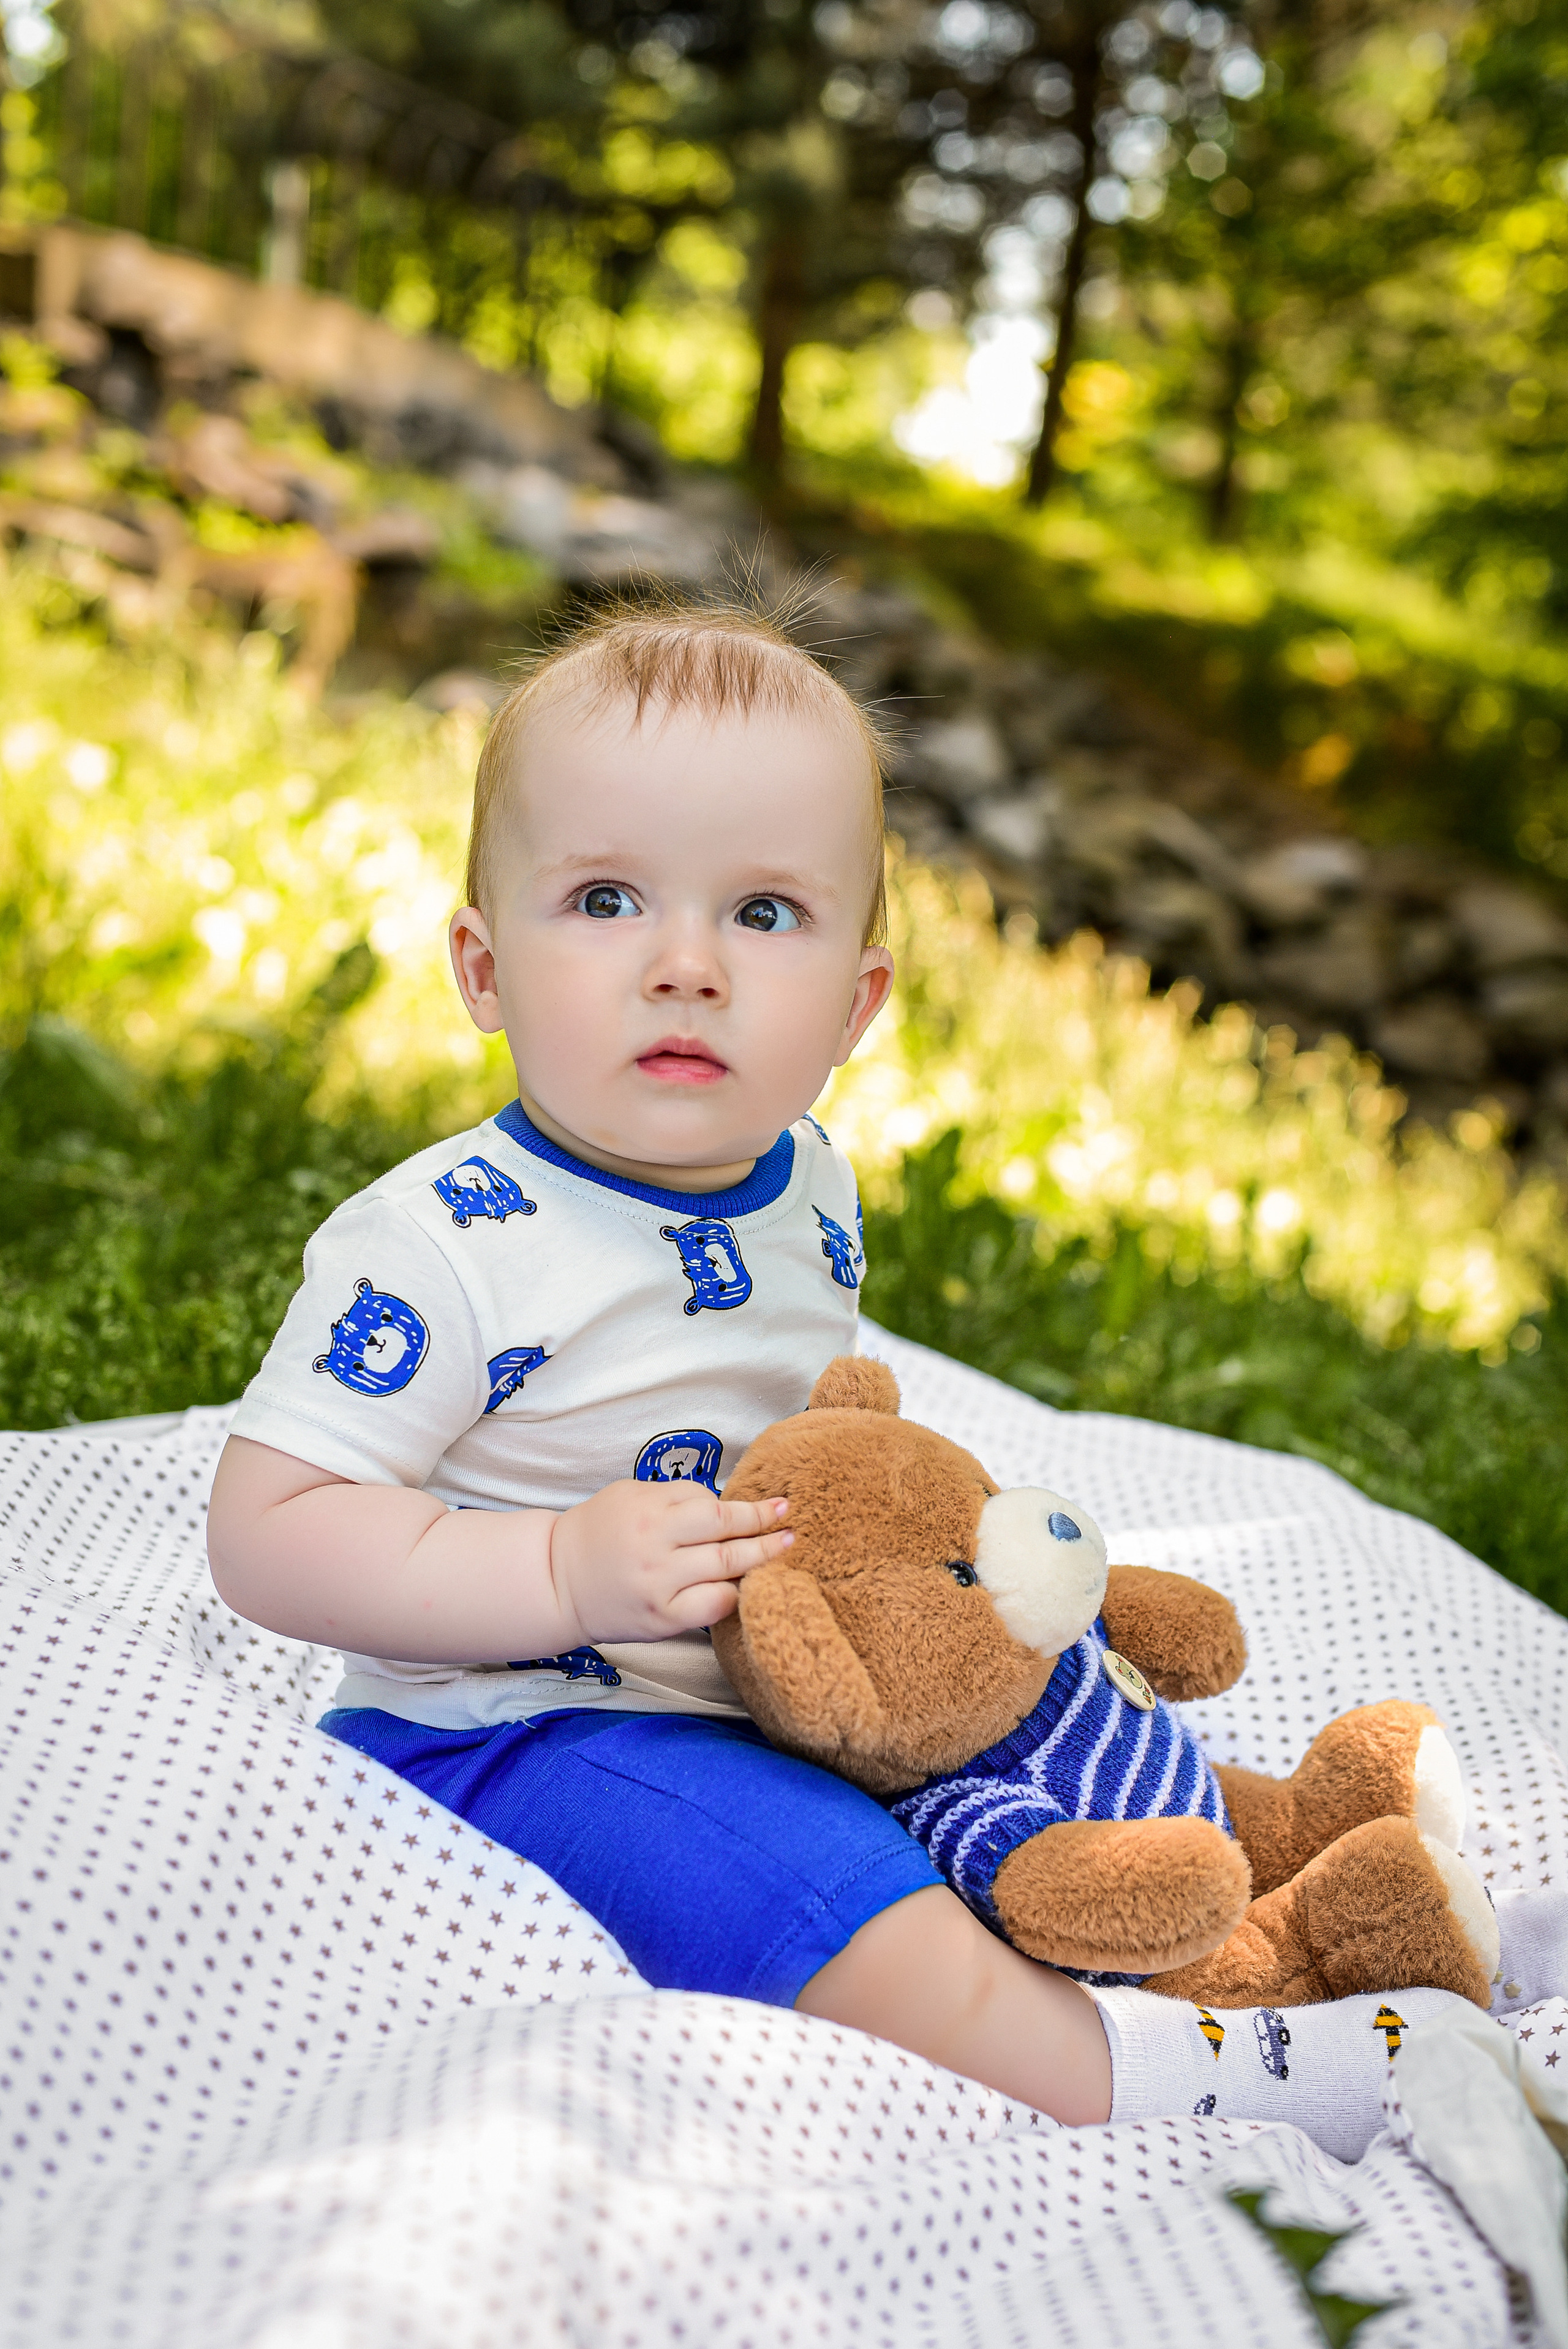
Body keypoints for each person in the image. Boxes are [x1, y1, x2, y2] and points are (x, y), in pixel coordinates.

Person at [207, 597, 1479, 2158]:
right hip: (529, 1726)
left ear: (856, 1002)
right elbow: (269, 1531)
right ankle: (1179, 2074)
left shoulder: (807, 1179)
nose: (685, 967)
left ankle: (1304, 1882)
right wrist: (552, 1566)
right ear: (481, 966)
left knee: (1056, 1742)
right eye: (605, 898)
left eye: (762, 915)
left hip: (793, 1687)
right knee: (839, 1891)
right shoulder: (442, 1245)